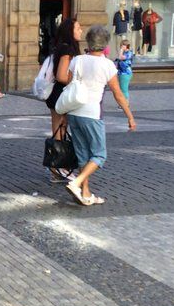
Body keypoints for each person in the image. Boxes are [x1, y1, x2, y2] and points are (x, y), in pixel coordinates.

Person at [63, 25, 137, 206]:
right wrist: (130, 116)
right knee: (99, 155)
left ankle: (85, 193)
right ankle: (77, 183)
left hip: (74, 111)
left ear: (88, 42)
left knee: (83, 155)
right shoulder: (107, 65)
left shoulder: (78, 60)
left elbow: (70, 84)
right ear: (105, 44)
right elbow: (118, 93)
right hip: (92, 113)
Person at [44, 18, 83, 182]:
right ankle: (57, 168)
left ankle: (57, 168)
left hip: (57, 94)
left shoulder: (61, 48)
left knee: (58, 129)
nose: (81, 30)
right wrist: (76, 79)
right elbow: (61, 75)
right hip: (62, 94)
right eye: (78, 28)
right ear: (70, 31)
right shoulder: (67, 50)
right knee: (59, 130)